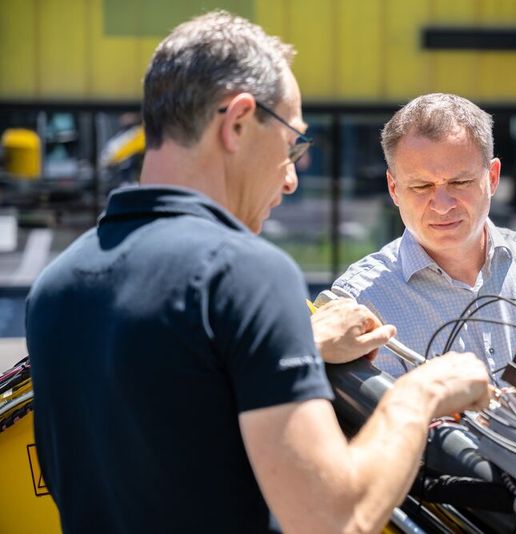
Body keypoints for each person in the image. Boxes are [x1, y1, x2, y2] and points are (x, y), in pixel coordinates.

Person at [25, 12, 489, 533]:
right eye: (292, 143)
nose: (291, 178)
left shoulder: (57, 286)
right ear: (238, 122)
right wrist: (422, 393)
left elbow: (170, 414)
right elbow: (334, 519)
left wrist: (290, 345)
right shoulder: (243, 275)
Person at [333, 93, 516, 381]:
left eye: (460, 182)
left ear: (492, 177)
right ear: (394, 189)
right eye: (421, 186)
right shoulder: (357, 301)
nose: (442, 204)